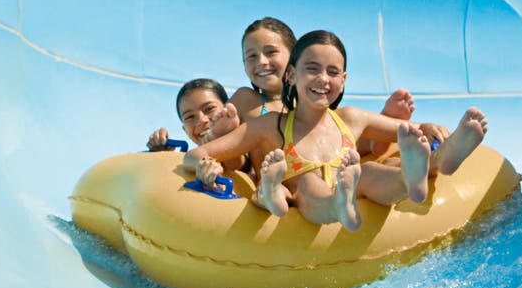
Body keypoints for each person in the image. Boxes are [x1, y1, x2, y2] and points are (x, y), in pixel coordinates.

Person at [185, 30, 488, 231]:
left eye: (333, 72)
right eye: (312, 69)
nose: (323, 79)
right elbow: (198, 152)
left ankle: (431, 166)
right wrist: (203, 164)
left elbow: (408, 130)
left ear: (343, 80)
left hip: (353, 181)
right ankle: (340, 204)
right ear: (291, 75)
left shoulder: (351, 118)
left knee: (371, 172)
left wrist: (427, 127)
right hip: (315, 196)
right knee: (307, 183)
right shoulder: (269, 126)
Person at [229, 16, 416, 156]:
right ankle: (376, 139)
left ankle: (376, 138)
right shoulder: (247, 99)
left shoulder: (313, 96)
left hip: (323, 165)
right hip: (278, 182)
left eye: (271, 52)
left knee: (346, 135)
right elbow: (217, 139)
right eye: (251, 56)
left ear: (296, 56)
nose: (261, 61)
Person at [146, 78, 247, 172]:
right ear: (185, 130)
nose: (201, 120)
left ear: (228, 109)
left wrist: (225, 140)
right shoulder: (189, 161)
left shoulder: (254, 155)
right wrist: (163, 155)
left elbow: (238, 164)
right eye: (189, 117)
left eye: (209, 109)